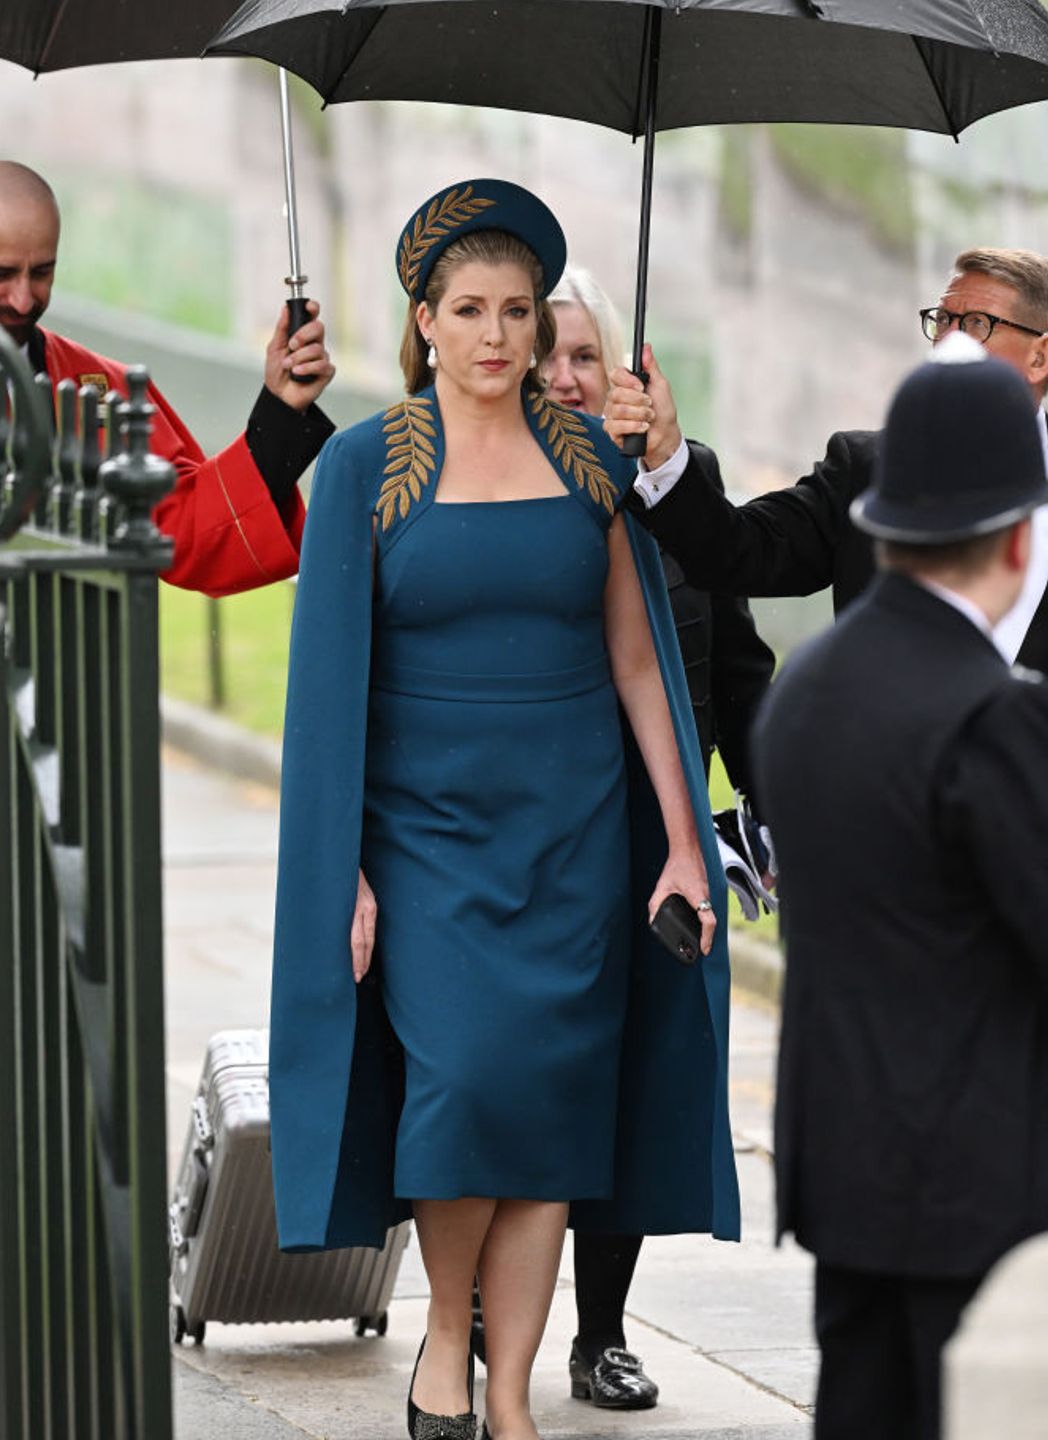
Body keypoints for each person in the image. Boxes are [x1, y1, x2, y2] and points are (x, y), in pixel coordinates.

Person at [269, 179, 740, 1440]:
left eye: (516, 311)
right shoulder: (366, 467)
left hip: (575, 838)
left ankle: (512, 1401)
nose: (493, 335)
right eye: (467, 310)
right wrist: (345, 874)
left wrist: (684, 848)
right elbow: (324, 699)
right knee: (465, 1086)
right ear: (423, 323)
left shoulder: (591, 461)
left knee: (548, 1113)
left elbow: (642, 667)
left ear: (541, 327)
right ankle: (444, 1339)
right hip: (424, 843)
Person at [474, 264, 768, 1412]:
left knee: (642, 1076)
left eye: (585, 355)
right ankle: (474, 1324)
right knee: (516, 1072)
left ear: (626, 375)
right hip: (533, 834)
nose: (564, 373)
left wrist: (766, 804)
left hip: (658, 839)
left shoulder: (673, 495)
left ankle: (600, 1334)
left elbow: (738, 667)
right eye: (546, 351)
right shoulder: (486, 490)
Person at [750, 334, 1048, 1440]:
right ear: (1020, 536)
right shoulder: (990, 712)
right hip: (978, 1186)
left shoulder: (809, 688)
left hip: (845, 1170)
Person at [603, 247, 1048, 669]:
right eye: (943, 319)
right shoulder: (868, 468)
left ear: (1040, 357)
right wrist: (664, 450)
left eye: (975, 323)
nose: (948, 340)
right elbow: (740, 550)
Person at [0, 159, 336, 595]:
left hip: (76, 656)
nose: (25, 300)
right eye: (1, 274)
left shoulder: (100, 389)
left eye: (42, 272)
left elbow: (190, 531)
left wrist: (280, 410)